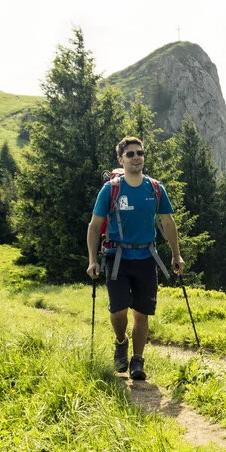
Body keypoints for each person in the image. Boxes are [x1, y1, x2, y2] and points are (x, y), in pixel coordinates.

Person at [86, 136, 185, 381]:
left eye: (139, 152)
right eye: (130, 154)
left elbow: (167, 222)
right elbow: (94, 225)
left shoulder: (154, 188)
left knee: (142, 313)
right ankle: (121, 341)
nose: (136, 157)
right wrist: (92, 260)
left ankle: (137, 360)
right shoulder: (110, 189)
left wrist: (176, 254)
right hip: (115, 256)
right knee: (118, 310)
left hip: (146, 257)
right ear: (121, 159)